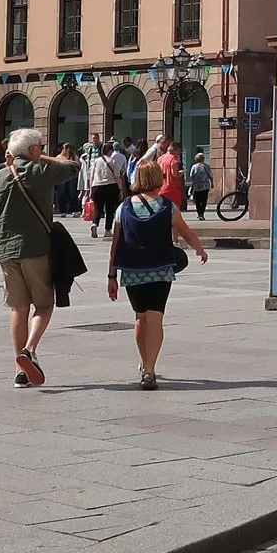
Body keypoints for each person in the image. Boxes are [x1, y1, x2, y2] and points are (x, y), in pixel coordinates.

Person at [0, 128, 79, 387]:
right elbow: (72, 166)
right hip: (35, 249)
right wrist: (47, 158)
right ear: (33, 150)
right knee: (44, 305)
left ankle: (19, 370)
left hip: (4, 251)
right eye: (40, 147)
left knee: (18, 308)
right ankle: (29, 349)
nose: (43, 151)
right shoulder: (41, 171)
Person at [105, 157, 207, 389]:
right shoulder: (167, 206)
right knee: (156, 318)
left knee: (140, 318)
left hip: (132, 271)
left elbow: (116, 244)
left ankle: (144, 363)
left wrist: (111, 275)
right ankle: (150, 368)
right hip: (161, 269)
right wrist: (199, 250)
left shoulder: (124, 207)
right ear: (158, 179)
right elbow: (187, 233)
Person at [83, 144, 121, 239]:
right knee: (110, 209)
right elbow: (117, 176)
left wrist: (91, 189)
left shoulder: (96, 161)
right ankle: (107, 230)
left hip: (97, 186)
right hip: (110, 186)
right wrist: (121, 189)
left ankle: (94, 224)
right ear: (110, 151)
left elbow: (91, 176)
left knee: (98, 208)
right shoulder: (113, 161)